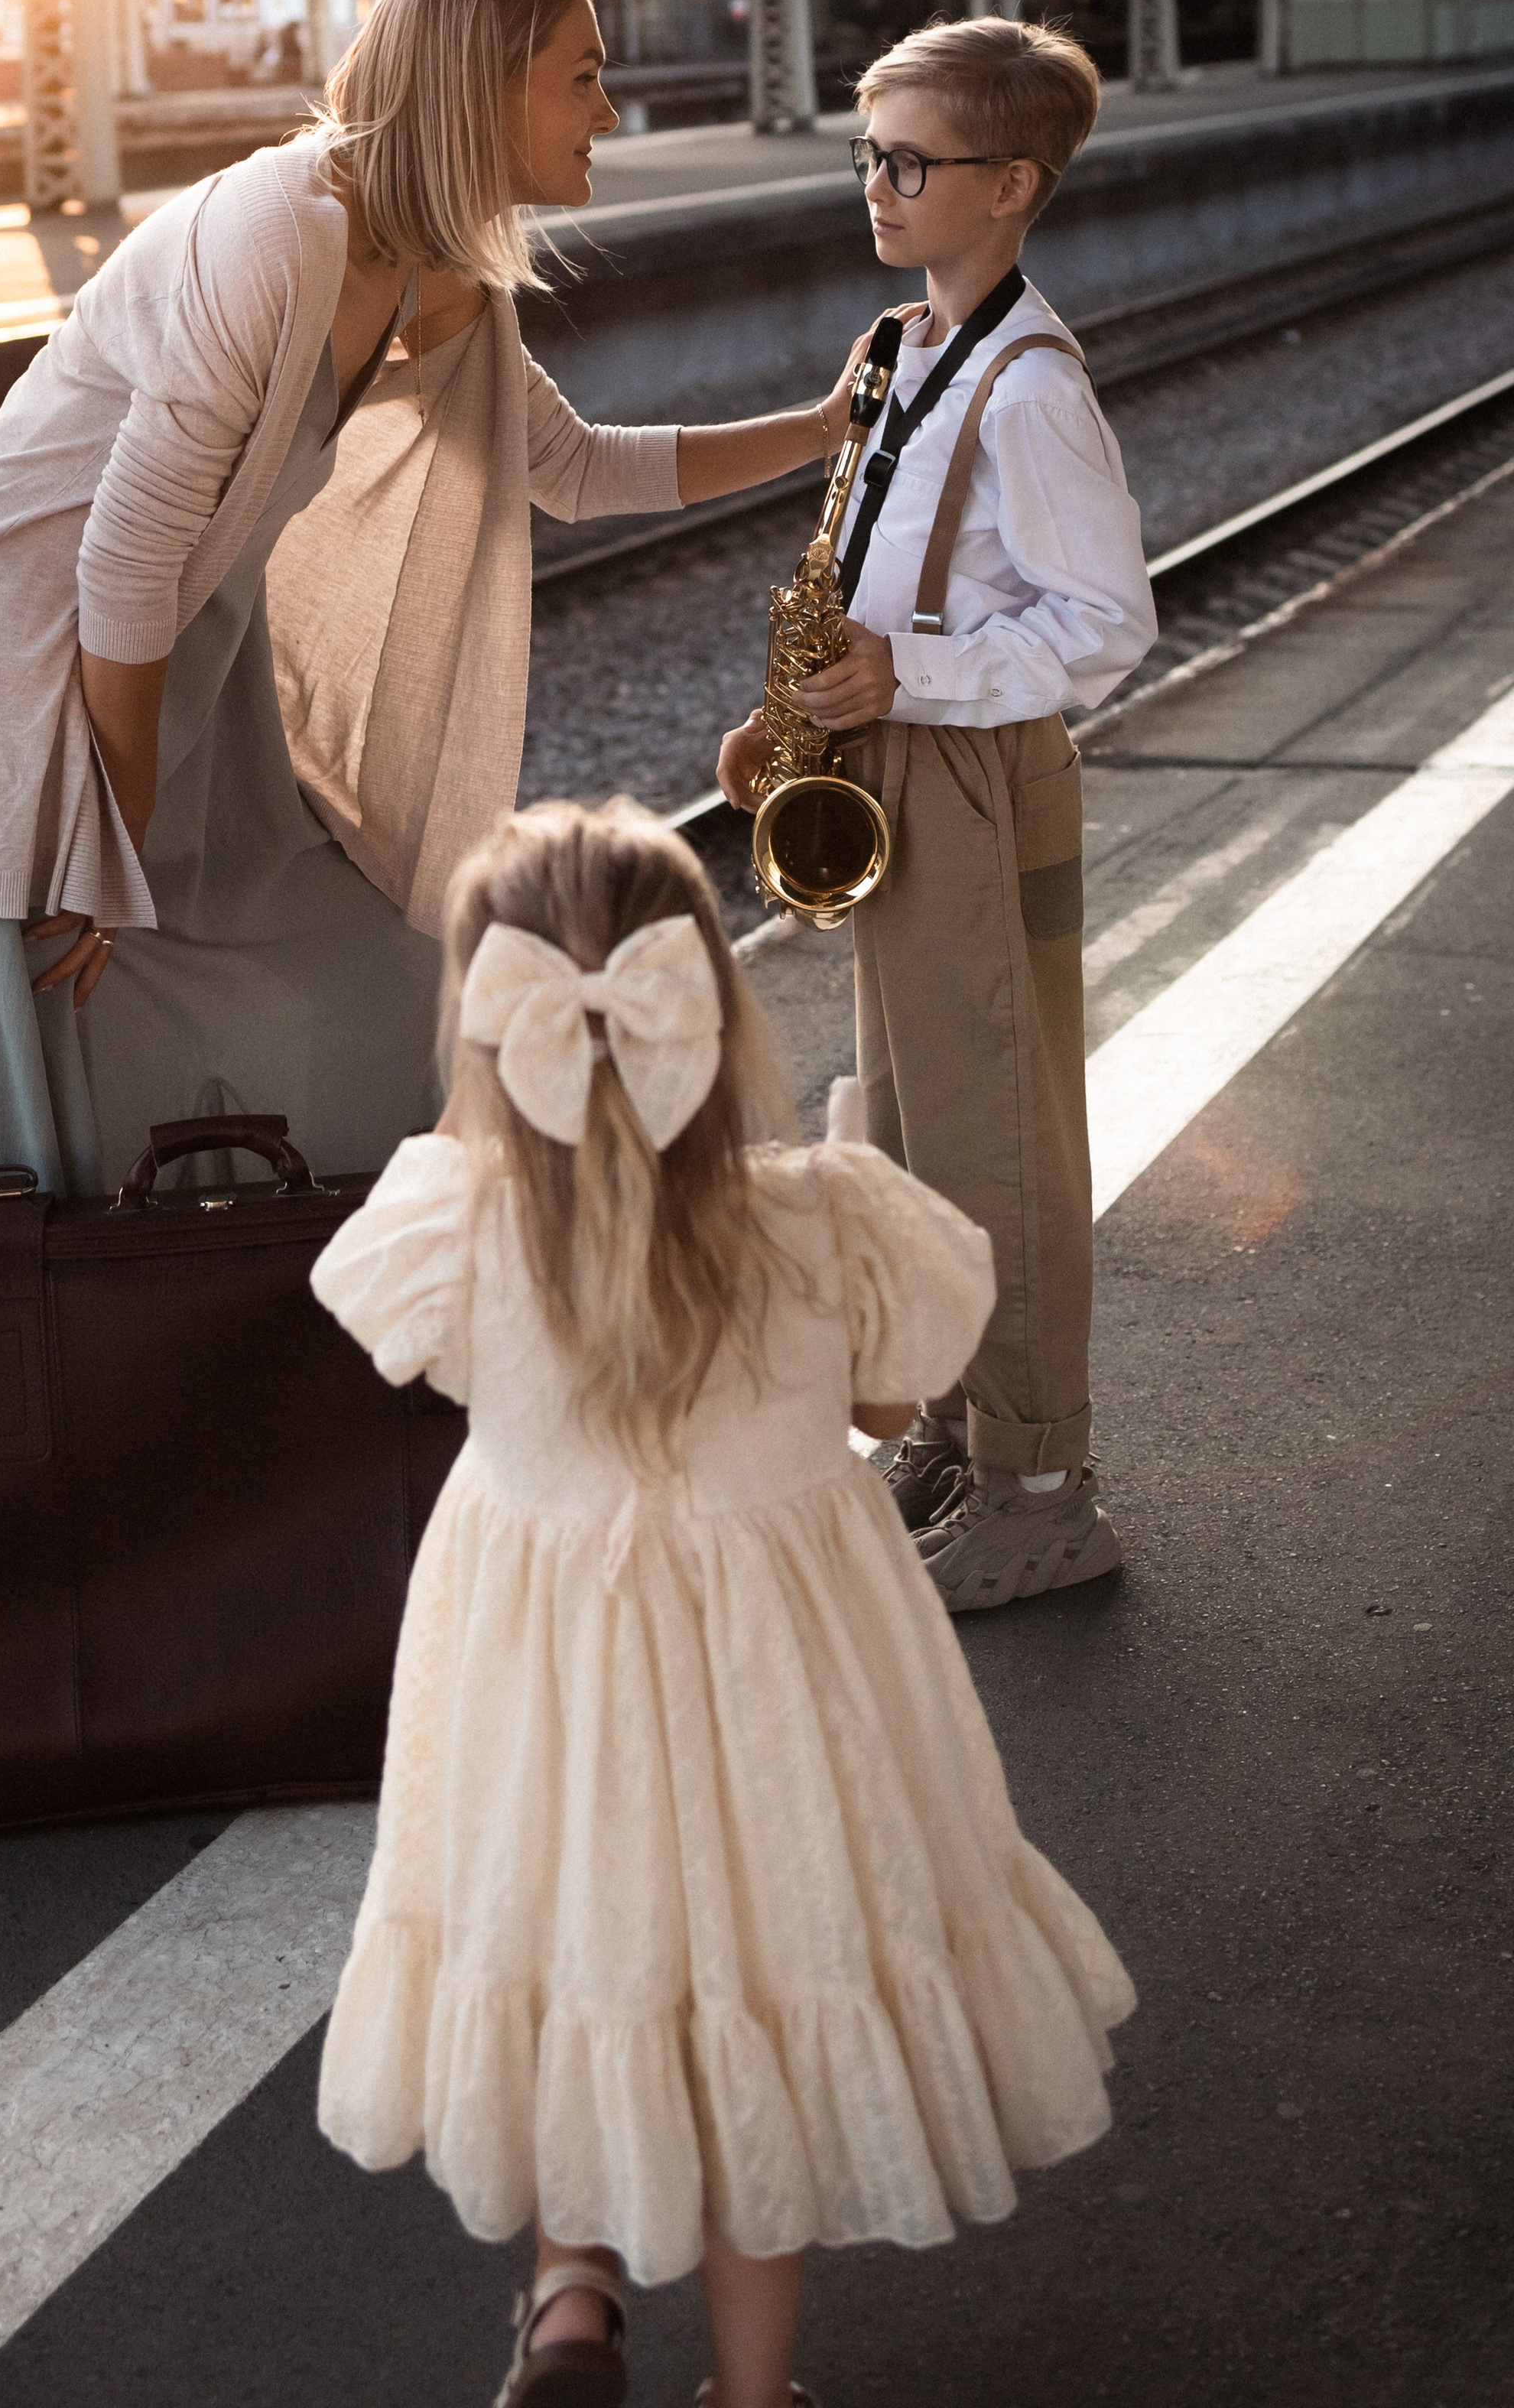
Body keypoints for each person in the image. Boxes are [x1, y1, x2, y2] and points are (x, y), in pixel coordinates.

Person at [310, 796, 1136, 2408]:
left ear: (492, 1034)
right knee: (767, 1974)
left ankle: (567, 2298)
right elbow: (896, 1411)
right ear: (714, 1006)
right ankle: (750, 2402)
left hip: (544, 1671)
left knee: (570, 1953)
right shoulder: (824, 1217)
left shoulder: (454, 1224)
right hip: (783, 1681)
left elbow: (430, 1363)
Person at [0, 0, 849, 1230]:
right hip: (8, 675)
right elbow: (126, 553)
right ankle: (53, 1382)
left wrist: (824, 430)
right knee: (33, 1101)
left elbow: (575, 469)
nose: (611, 107)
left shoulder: (442, 276)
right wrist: (115, 831)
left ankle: (291, 1321)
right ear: (483, 82)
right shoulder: (278, 232)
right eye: (581, 75)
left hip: (153, 677)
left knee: (378, 964)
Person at [718, 16, 1156, 1617]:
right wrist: (793, 712)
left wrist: (907, 678)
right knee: (906, 1129)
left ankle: (1042, 1484)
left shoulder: (1029, 387)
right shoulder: (905, 346)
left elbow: (1104, 624)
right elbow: (877, 568)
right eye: (867, 155)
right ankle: (967, 1430)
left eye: (910, 163)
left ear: (1011, 185)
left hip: (965, 767)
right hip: (890, 749)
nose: (875, 186)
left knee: (999, 1137)